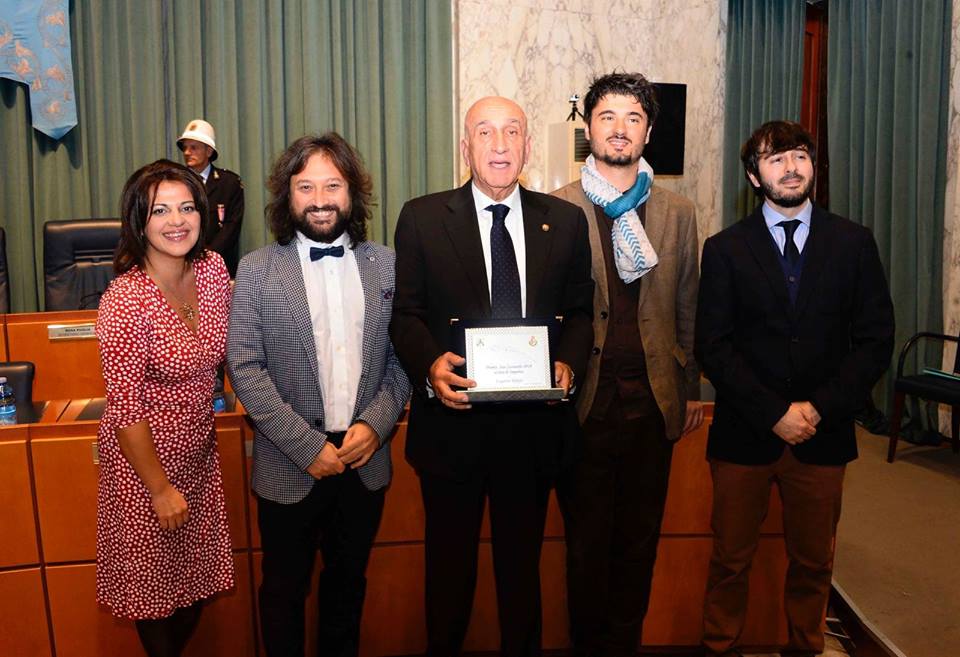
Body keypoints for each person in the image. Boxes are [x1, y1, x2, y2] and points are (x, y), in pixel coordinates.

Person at [390, 96, 594, 656]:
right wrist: (431, 367)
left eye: (512, 132)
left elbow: (580, 312)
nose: (499, 145)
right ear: (466, 147)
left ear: (527, 147)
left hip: (532, 433)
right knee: (448, 573)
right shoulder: (422, 218)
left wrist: (568, 363)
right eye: (485, 132)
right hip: (451, 428)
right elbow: (405, 315)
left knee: (521, 575)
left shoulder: (565, 221)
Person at [695, 121, 895, 657]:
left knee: (814, 562)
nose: (790, 167)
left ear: (813, 166)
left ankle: (806, 647)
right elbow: (712, 346)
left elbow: (875, 340)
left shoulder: (853, 243)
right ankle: (719, 647)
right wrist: (774, 412)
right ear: (753, 176)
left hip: (823, 436)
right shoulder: (725, 249)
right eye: (775, 158)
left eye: (800, 155)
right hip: (744, 435)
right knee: (730, 560)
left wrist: (817, 408)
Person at [227, 133, 410, 657]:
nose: (320, 199)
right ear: (287, 195)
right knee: (283, 593)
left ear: (353, 193)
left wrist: (375, 426)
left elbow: (402, 360)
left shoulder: (387, 265)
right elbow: (245, 368)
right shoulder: (257, 269)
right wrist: (307, 447)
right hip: (289, 463)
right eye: (305, 187)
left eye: (333, 185)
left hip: (364, 458)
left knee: (348, 590)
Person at [551, 72, 702, 657]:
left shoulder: (679, 213)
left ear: (649, 132)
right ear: (589, 129)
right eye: (608, 116)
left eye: (633, 118)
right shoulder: (558, 207)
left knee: (638, 546)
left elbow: (688, 304)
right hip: (584, 406)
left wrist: (690, 387)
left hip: (652, 405)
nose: (620, 128)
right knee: (585, 547)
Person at [95, 159, 235, 657]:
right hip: (144, 472)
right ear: (139, 220)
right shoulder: (125, 300)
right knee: (155, 600)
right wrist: (158, 489)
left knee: (194, 586)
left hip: (197, 459)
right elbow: (125, 409)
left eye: (187, 208)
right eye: (160, 211)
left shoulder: (213, 271)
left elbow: (235, 348)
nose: (177, 221)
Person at [177, 119, 244, 276]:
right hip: (183, 265)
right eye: (185, 148)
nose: (187, 152)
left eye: (193, 147)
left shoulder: (229, 183)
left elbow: (231, 227)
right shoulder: (176, 183)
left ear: (208, 151)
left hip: (219, 265)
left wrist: (207, 258)